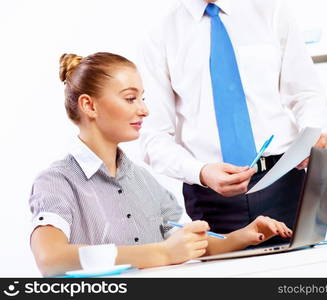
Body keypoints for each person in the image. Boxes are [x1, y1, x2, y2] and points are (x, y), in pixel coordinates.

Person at [29, 52, 292, 277]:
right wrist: (161, 253)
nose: (144, 110)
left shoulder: (142, 180)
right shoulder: (57, 182)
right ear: (89, 105)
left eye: (143, 98)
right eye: (131, 98)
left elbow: (185, 244)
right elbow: (50, 259)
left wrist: (245, 235)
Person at [138, 0, 327, 242]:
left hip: (284, 182)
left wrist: (312, 134)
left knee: (302, 273)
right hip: (209, 195)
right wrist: (201, 172)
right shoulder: (160, 33)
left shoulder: (271, 10)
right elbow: (153, 136)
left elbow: (306, 94)